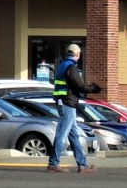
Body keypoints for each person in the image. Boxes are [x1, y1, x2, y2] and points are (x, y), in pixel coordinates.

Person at [47, 44, 100, 174]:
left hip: (63, 102)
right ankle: (53, 164)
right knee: (62, 134)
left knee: (74, 136)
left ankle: (83, 164)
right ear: (78, 54)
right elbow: (79, 85)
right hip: (68, 103)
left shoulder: (62, 65)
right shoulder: (71, 67)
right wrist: (93, 88)